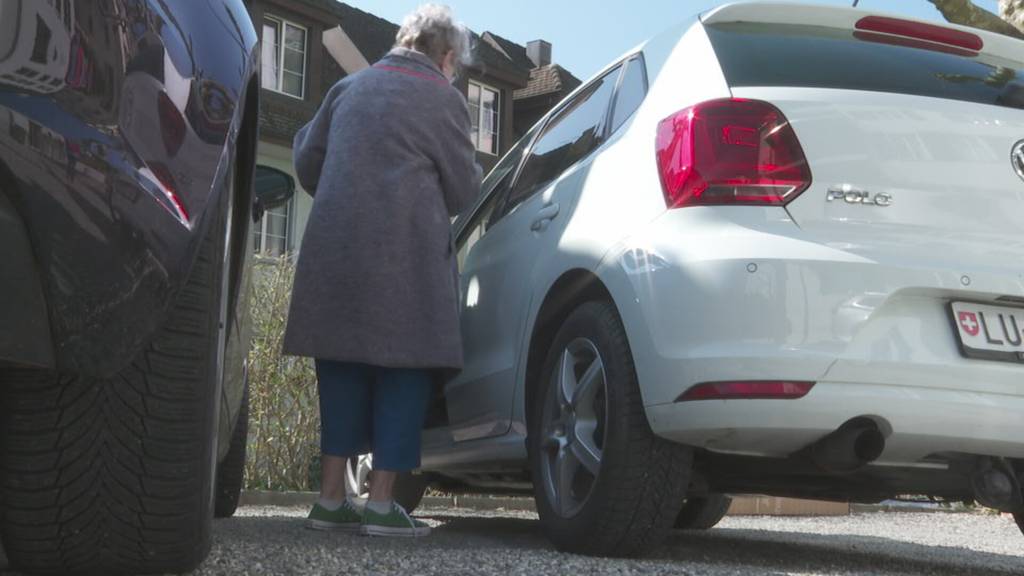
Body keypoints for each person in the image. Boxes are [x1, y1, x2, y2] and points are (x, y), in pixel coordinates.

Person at [282, 4, 481, 538]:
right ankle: (381, 504)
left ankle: (329, 500)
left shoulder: (348, 88)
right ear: (446, 56)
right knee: (405, 369)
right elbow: (464, 189)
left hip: (337, 251)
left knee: (341, 367)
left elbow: (305, 162)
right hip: (405, 258)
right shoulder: (442, 98)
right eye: (456, 65)